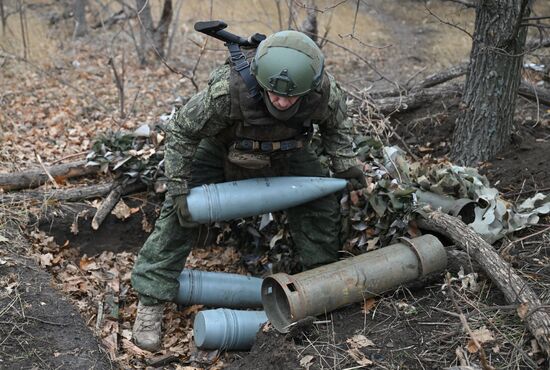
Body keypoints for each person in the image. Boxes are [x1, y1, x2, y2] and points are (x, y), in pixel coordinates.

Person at [131, 29, 365, 351]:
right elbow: (183, 130)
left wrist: (346, 166)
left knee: (320, 208)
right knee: (179, 214)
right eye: (275, 94)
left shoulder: (323, 92)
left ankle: (319, 289)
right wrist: (177, 186)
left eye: (291, 97)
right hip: (222, 149)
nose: (282, 102)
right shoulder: (228, 92)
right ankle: (151, 300)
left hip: (287, 152)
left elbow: (336, 127)